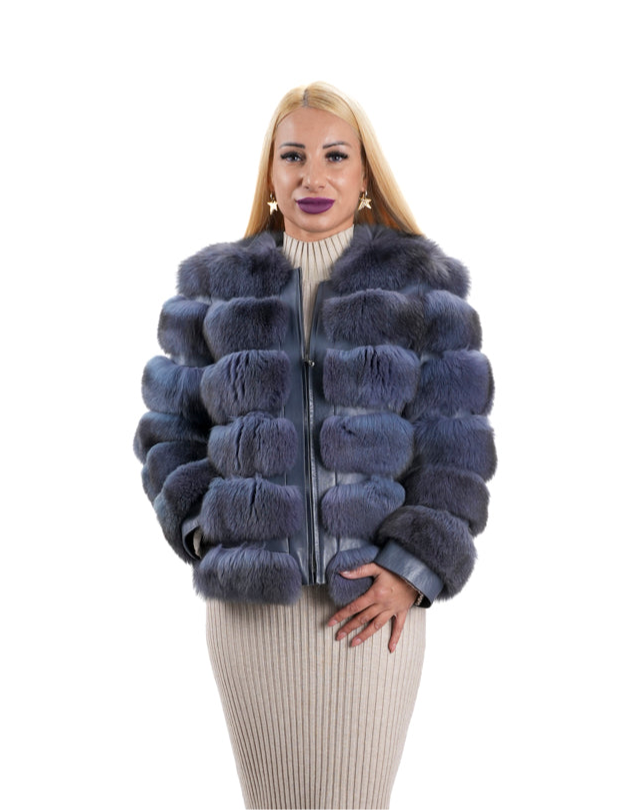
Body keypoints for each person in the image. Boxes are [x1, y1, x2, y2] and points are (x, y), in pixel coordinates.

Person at [134, 81, 495, 810]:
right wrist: (207, 530)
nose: (312, 176)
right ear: (270, 173)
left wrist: (412, 569)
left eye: (335, 155)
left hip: (369, 606)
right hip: (251, 615)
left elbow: (456, 451)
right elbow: (168, 432)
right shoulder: (213, 289)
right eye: (293, 155)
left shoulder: (422, 288)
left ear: (365, 174)